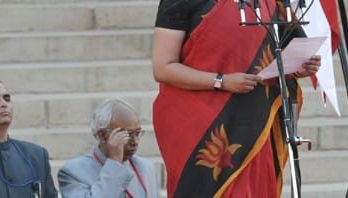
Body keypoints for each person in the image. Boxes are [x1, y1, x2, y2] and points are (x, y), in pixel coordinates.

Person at [152, 0, 322, 197]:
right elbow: (163, 67)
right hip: (200, 126)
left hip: (254, 123)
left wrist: (302, 66)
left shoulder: (270, 3)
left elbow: (281, 54)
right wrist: (221, 81)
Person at [58, 98, 159, 198]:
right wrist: (115, 163)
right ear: (103, 135)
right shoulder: (73, 172)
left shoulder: (146, 167)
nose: (135, 141)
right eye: (127, 134)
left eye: (137, 133)